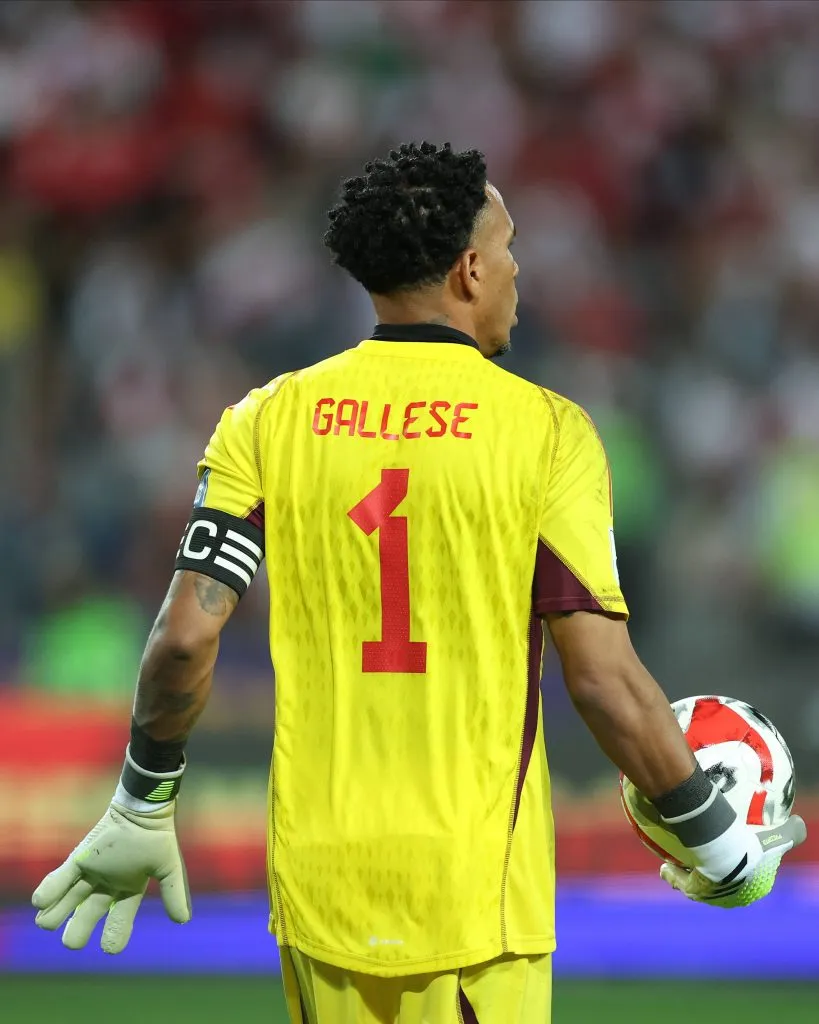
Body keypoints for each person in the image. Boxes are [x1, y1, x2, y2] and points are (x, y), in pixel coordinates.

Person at [32, 143, 805, 1024]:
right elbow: (601, 680)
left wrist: (142, 799)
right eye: (508, 248)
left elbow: (184, 637)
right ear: (470, 270)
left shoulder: (266, 420)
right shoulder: (546, 433)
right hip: (473, 899)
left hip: (319, 890)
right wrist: (720, 847)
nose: (517, 271)